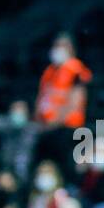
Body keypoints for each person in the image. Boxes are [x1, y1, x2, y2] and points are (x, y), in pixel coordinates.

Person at [33, 33, 92, 170]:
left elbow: (76, 101)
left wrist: (55, 122)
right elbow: (41, 98)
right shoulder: (50, 71)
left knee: (64, 168)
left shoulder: (75, 70)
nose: (58, 49)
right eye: (56, 45)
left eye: (63, 46)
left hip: (66, 129)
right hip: (45, 128)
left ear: (72, 49)